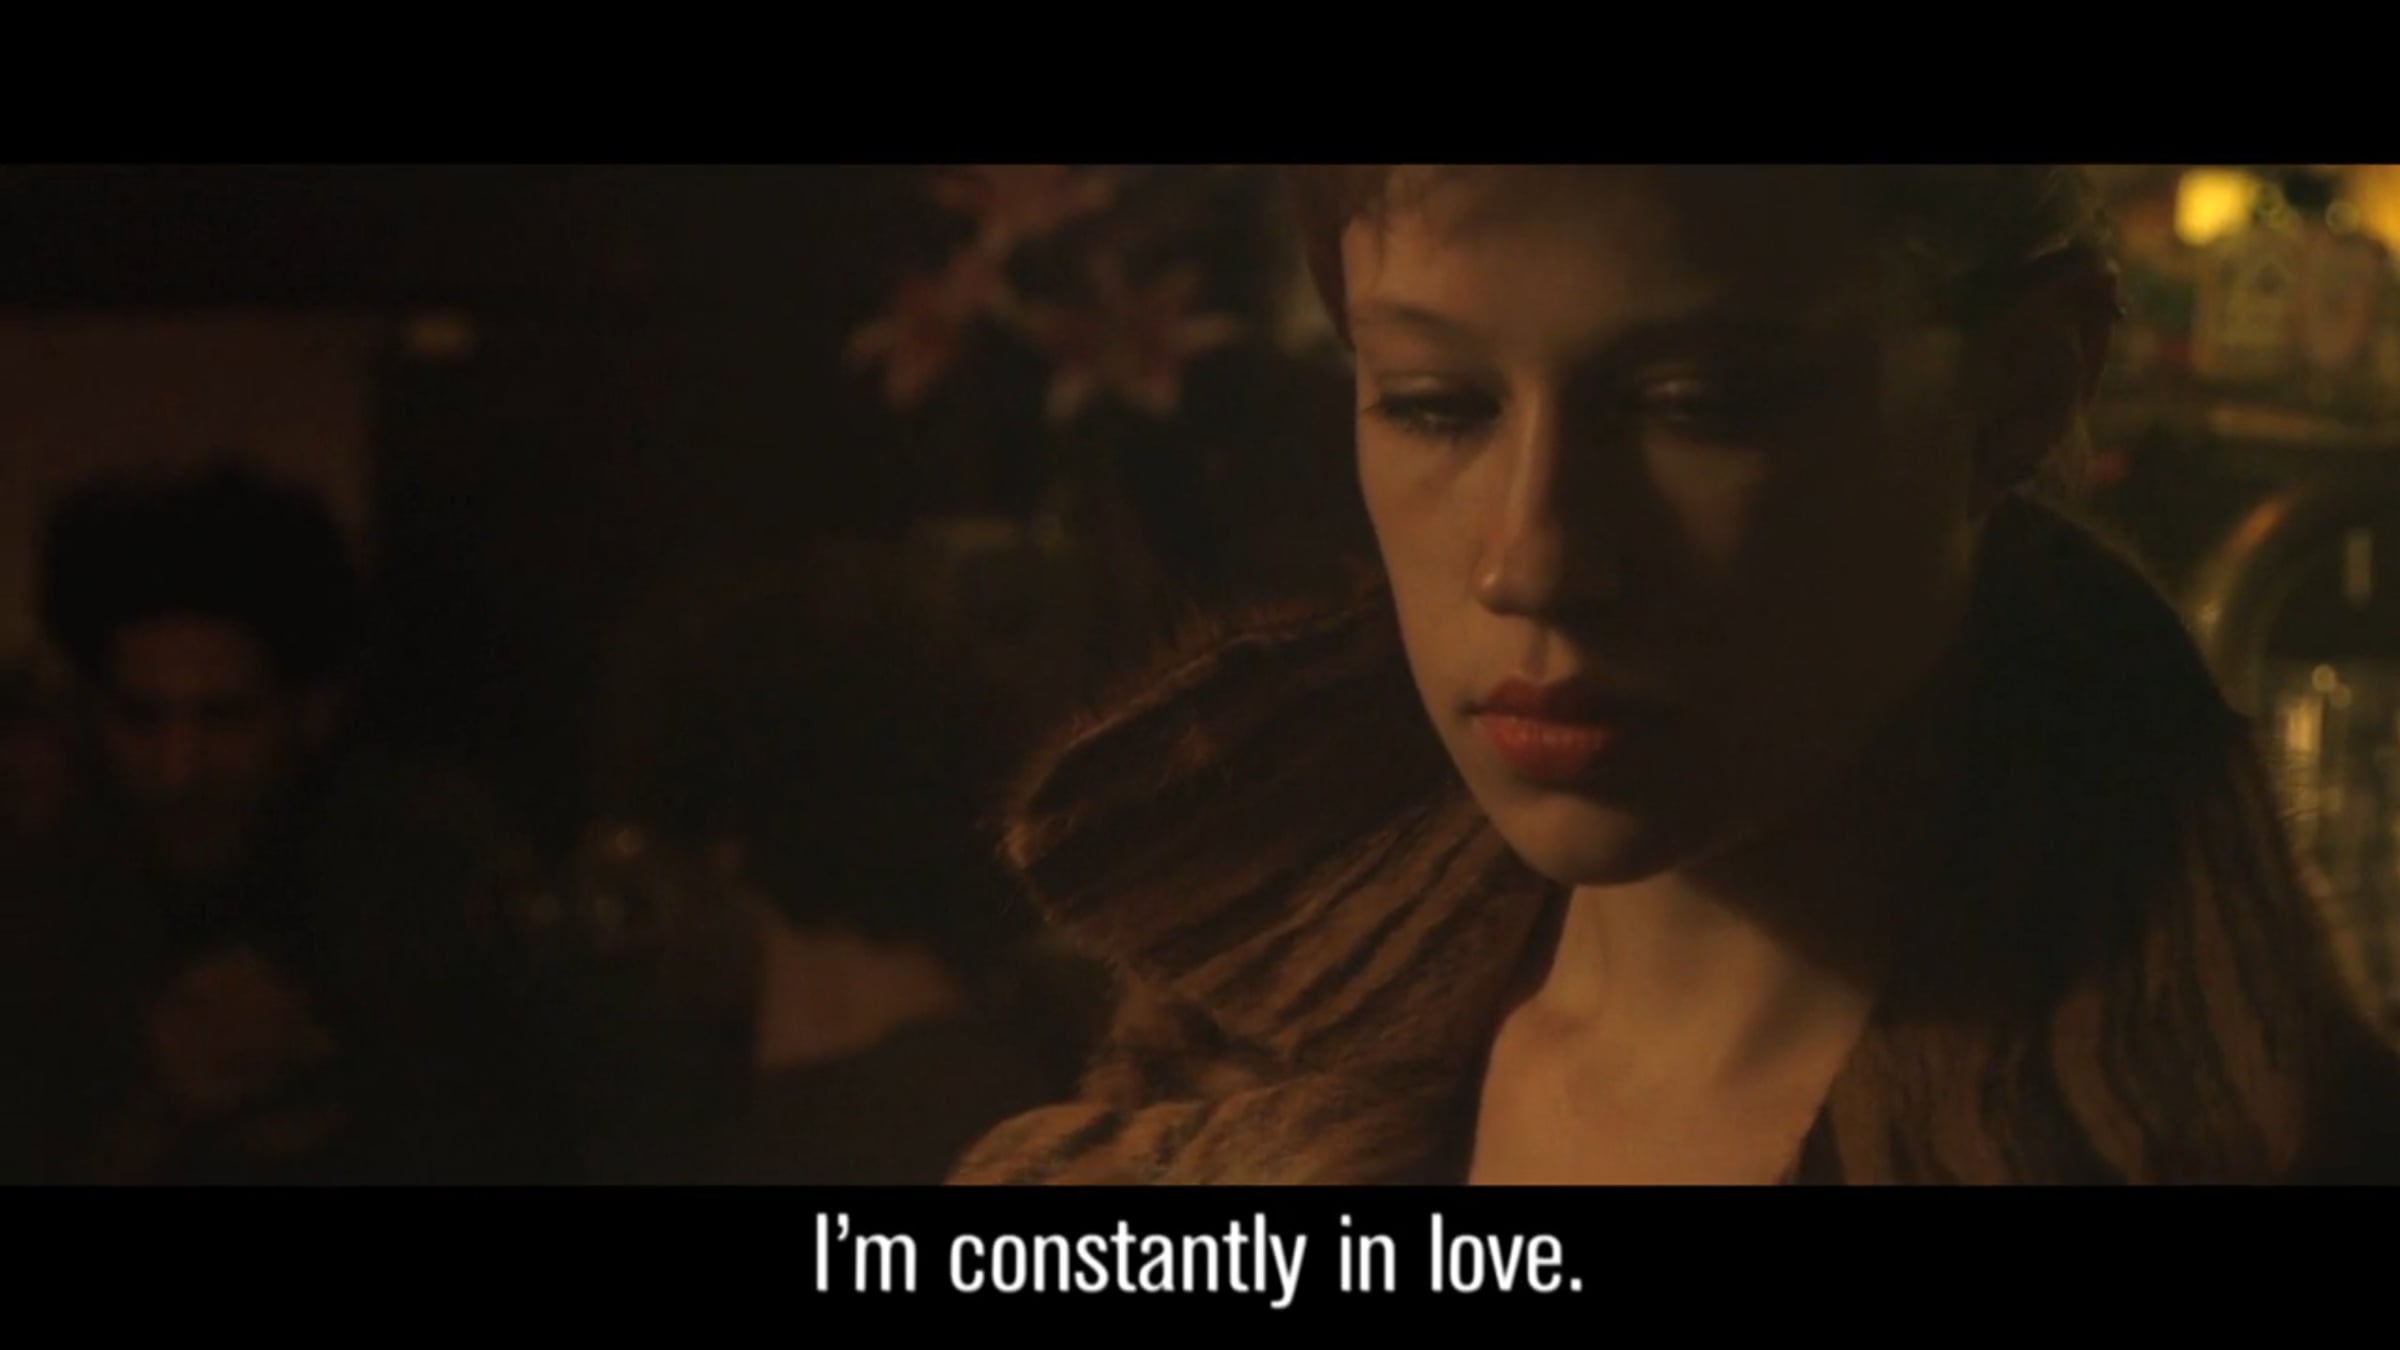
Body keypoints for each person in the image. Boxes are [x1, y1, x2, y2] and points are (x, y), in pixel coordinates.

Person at [947, 165, 2400, 1185]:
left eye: (1696, 404)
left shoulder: (2247, 1136)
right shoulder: (1215, 1080)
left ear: (2018, 391)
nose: (1531, 561)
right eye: (1435, 403)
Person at [2, 463, 562, 1183]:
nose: (178, 772)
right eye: (141, 719)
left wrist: (328, 1058)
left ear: (312, 712)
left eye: (224, 719)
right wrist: (155, 1108)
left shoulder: (427, 883)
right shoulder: (46, 903)